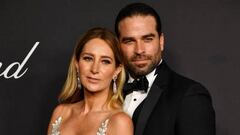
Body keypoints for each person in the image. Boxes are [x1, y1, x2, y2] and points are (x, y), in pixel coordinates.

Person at [114, 3, 215, 135]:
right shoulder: (107, 90)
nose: (139, 50)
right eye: (129, 41)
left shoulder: (190, 95)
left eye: (148, 39)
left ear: (161, 41)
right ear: (118, 45)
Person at [47, 27, 133, 135]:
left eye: (105, 61)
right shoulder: (61, 113)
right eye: (88, 58)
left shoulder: (119, 121)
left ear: (116, 70)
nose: (94, 69)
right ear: (77, 64)